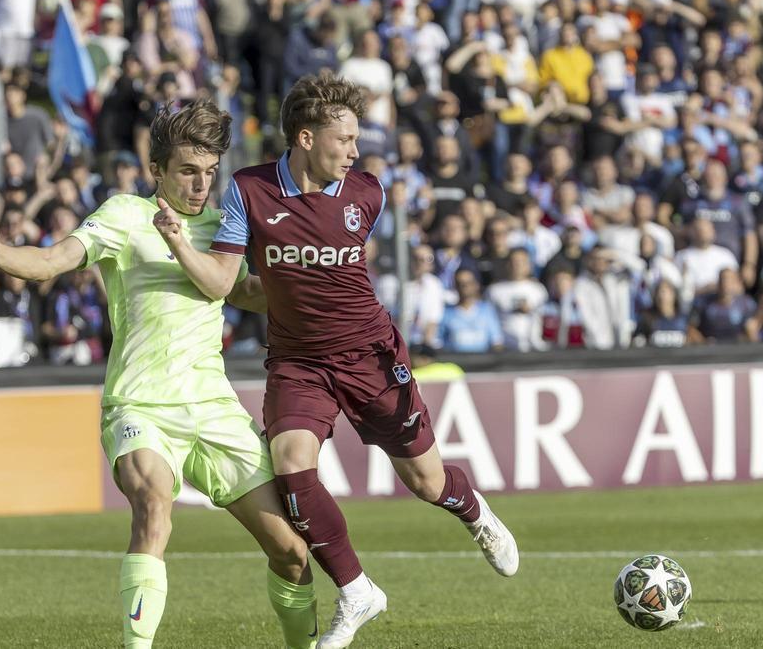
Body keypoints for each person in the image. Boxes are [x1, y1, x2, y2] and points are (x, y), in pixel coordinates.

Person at [156, 74, 518, 648]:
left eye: (355, 140)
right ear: (305, 137)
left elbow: (330, 276)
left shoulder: (366, 194)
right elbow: (223, 282)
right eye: (344, 139)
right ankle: (355, 589)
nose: (354, 151)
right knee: (291, 464)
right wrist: (179, 243)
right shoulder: (248, 191)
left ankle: (473, 510)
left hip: (369, 356)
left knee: (427, 482)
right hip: (298, 361)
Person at [0, 100, 320, 649]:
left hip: (212, 408)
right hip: (141, 403)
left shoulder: (224, 229)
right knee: (153, 506)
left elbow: (250, 294)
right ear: (158, 172)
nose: (200, 186)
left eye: (208, 174)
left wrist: (311, 275)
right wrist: (2, 255)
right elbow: (54, 260)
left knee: (292, 552)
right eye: (187, 172)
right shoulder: (125, 215)